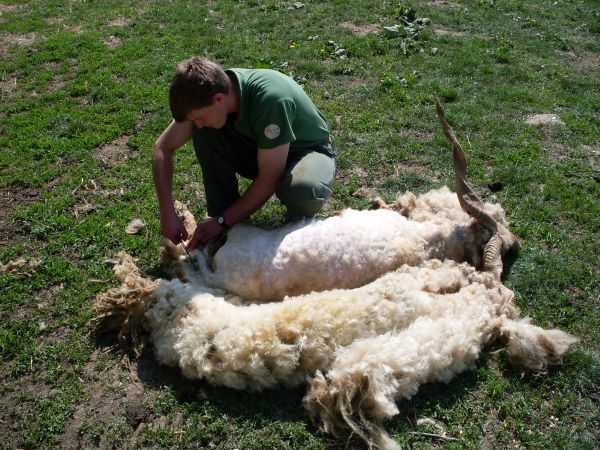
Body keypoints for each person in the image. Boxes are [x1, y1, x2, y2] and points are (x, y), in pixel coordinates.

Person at [152, 57, 336, 251]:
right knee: (204, 131)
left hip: (306, 150)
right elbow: (162, 148)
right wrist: (167, 214)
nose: (197, 123)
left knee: (302, 190)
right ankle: (231, 224)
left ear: (219, 99)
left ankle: (292, 228)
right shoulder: (206, 94)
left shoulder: (271, 99)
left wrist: (222, 221)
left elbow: (269, 179)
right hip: (262, 149)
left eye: (199, 117)